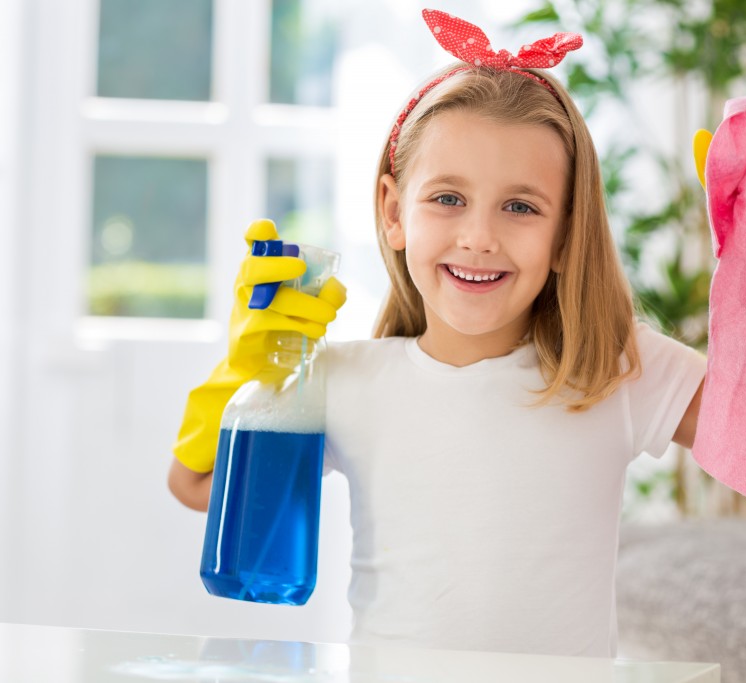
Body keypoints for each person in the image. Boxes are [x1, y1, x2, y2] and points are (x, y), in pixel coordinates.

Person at [168, 8, 706, 658]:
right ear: (394, 213)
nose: (479, 236)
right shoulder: (342, 379)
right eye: (448, 198)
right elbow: (196, 484)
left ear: (568, 234)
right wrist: (248, 370)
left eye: (520, 206)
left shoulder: (615, 369)